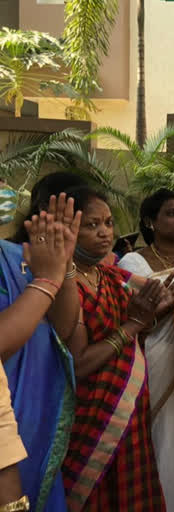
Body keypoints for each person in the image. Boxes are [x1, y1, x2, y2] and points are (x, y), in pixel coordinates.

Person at [61, 187, 173, 511]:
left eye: (108, 223)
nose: (105, 232)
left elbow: (142, 322)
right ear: (67, 228)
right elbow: (79, 364)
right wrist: (134, 325)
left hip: (129, 416)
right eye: (92, 225)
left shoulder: (111, 276)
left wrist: (155, 313)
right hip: (92, 421)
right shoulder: (64, 283)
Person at [2, 192, 82, 512]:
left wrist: (63, 265)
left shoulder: (16, 255)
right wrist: (47, 281)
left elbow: (62, 330)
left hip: (30, 436)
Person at [118, 189, 174, 512]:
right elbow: (128, 319)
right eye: (171, 213)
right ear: (150, 221)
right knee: (163, 434)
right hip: (153, 359)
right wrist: (166, 305)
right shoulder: (133, 262)